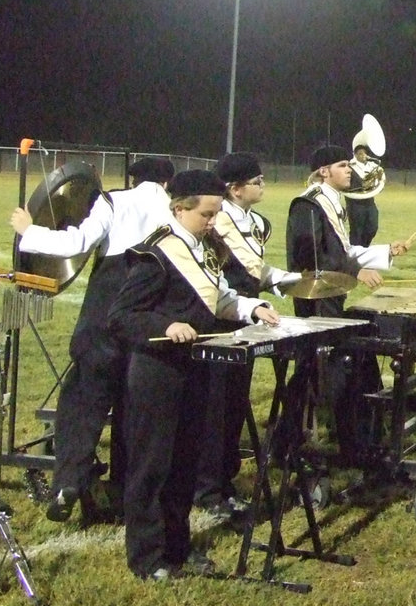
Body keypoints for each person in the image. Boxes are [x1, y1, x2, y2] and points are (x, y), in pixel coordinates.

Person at [107, 170, 281, 581]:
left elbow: (214, 297)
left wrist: (250, 308)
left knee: (184, 465)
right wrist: (165, 328)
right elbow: (122, 316)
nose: (212, 221)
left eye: (216, 213)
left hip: (194, 369)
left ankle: (178, 550)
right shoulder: (156, 254)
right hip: (157, 374)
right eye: (206, 214)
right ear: (179, 209)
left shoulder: (200, 245)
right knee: (154, 468)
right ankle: (148, 559)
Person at [9, 156, 175, 524]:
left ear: (135, 180)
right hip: (149, 308)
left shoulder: (115, 200)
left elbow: (78, 241)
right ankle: (127, 493)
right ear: (167, 182)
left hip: (107, 304)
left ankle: (68, 482)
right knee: (134, 408)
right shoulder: (176, 210)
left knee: (84, 397)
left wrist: (28, 230)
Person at [286, 145, 408, 470]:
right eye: (343, 165)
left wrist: (385, 252)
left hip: (333, 292)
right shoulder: (308, 205)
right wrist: (355, 271)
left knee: (323, 364)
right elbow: (311, 257)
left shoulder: (332, 202)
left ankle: (330, 431)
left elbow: (344, 250)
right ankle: (294, 436)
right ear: (324, 171)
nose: (350, 170)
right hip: (317, 297)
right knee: (316, 363)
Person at [194, 152, 298, 522]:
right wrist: (247, 304)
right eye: (257, 181)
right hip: (220, 319)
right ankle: (209, 487)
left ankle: (225, 480)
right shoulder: (214, 221)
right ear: (235, 190)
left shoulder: (254, 222)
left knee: (235, 402)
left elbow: (253, 267)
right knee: (217, 404)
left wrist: (285, 280)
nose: (263, 185)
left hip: (245, 318)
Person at [346, 142, 382, 246]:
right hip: (355, 204)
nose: (363, 156)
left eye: (364, 153)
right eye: (360, 154)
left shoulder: (372, 166)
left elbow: (378, 180)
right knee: (357, 231)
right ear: (355, 155)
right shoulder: (349, 166)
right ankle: (355, 252)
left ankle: (364, 247)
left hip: (370, 202)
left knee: (372, 228)